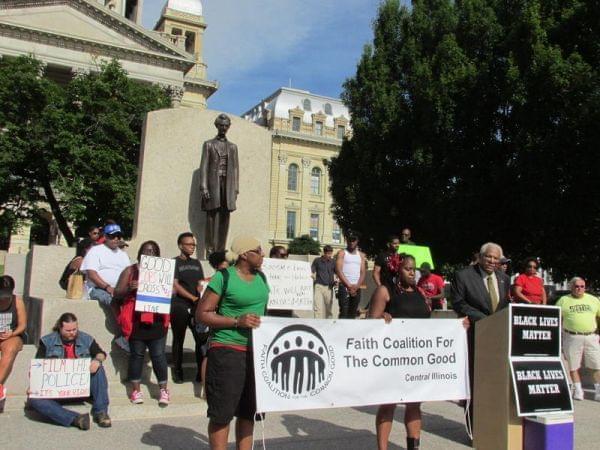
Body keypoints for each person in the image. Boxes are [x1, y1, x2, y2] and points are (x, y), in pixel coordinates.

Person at [368, 254, 468, 450]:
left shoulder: (420, 292)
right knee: (389, 404)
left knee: (414, 404)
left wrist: (457, 327)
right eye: (408, 269)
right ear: (397, 270)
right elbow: (370, 323)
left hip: (415, 360)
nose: (413, 272)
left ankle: (413, 446)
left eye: (414, 269)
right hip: (392, 359)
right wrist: (381, 318)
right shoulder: (385, 291)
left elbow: (427, 325)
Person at [196, 235, 269, 450]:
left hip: (255, 352)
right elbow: (202, 314)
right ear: (245, 254)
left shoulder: (262, 278)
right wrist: (237, 321)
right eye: (258, 250)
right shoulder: (223, 277)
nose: (263, 254)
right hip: (227, 350)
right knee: (222, 413)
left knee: (249, 412)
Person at [452, 242, 510, 435]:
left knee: (495, 386)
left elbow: (504, 306)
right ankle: (474, 432)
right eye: (488, 257)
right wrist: (486, 321)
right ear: (480, 256)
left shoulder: (504, 278)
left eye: (496, 258)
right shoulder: (464, 276)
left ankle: (492, 428)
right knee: (475, 385)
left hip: (497, 340)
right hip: (474, 336)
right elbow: (459, 303)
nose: (492, 261)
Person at [28, 313, 111, 429]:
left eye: (74, 329)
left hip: (82, 388)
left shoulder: (86, 339)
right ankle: (76, 419)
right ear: (60, 328)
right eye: (68, 330)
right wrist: (34, 384)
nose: (72, 333)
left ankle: (101, 412)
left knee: (99, 368)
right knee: (34, 399)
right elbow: (38, 365)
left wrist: (97, 360)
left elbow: (101, 354)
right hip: (56, 390)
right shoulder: (47, 341)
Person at [114, 241, 171, 406]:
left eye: (153, 251)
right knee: (137, 355)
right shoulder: (130, 270)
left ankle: (163, 390)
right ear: (140, 253)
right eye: (146, 250)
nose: (149, 253)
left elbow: (173, 291)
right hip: (136, 318)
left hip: (157, 318)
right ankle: (136, 390)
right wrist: (130, 288)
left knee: (158, 355)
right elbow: (117, 292)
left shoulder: (163, 271)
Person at [199, 113, 240, 255]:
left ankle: (221, 249)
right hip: (212, 184)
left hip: (227, 185)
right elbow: (204, 166)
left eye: (226, 126)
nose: (223, 128)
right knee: (211, 216)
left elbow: (235, 169)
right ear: (217, 126)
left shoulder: (233, 147)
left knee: (225, 216)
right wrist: (203, 186)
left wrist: (235, 189)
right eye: (221, 125)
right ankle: (210, 249)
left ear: (228, 127)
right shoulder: (209, 144)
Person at [555, 277, 600, 401]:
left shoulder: (593, 300)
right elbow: (556, 318)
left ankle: (598, 391)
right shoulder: (563, 300)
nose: (579, 289)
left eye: (582, 286)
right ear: (571, 287)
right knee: (573, 365)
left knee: (596, 364)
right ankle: (578, 390)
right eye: (577, 286)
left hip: (591, 336)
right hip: (572, 336)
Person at [170, 232, 206, 384]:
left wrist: (201, 292)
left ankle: (200, 372)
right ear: (180, 245)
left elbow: (201, 282)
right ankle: (177, 371)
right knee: (179, 339)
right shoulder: (174, 262)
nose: (192, 247)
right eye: (189, 244)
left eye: (194, 245)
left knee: (200, 339)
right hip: (180, 305)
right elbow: (175, 284)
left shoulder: (197, 263)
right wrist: (191, 297)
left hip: (196, 305)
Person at [80, 223, 130, 307]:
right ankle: (119, 320)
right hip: (98, 289)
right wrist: (107, 287)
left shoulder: (123, 254)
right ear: (105, 237)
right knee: (112, 301)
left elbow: (129, 273)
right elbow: (92, 274)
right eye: (112, 236)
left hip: (119, 290)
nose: (116, 238)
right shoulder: (95, 251)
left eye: (118, 236)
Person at [0, 275, 26, 412]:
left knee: (10, 349)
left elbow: (22, 325)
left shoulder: (17, 301)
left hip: (11, 334)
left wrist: (12, 333)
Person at [335, 233, 366, 319]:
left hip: (356, 287)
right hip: (344, 286)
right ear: (346, 241)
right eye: (350, 240)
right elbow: (338, 270)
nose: (351, 242)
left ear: (357, 241)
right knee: (344, 312)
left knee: (353, 312)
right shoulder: (342, 253)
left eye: (354, 240)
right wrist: (348, 285)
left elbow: (363, 272)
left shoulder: (361, 255)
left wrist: (357, 286)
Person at [312, 245, 336, 319]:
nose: (329, 255)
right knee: (317, 307)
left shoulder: (333, 262)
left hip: (329, 287)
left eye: (330, 253)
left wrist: (337, 280)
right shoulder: (317, 260)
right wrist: (312, 275)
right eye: (328, 253)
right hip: (318, 286)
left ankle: (328, 323)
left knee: (329, 307)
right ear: (324, 252)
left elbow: (337, 272)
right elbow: (312, 270)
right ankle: (317, 323)